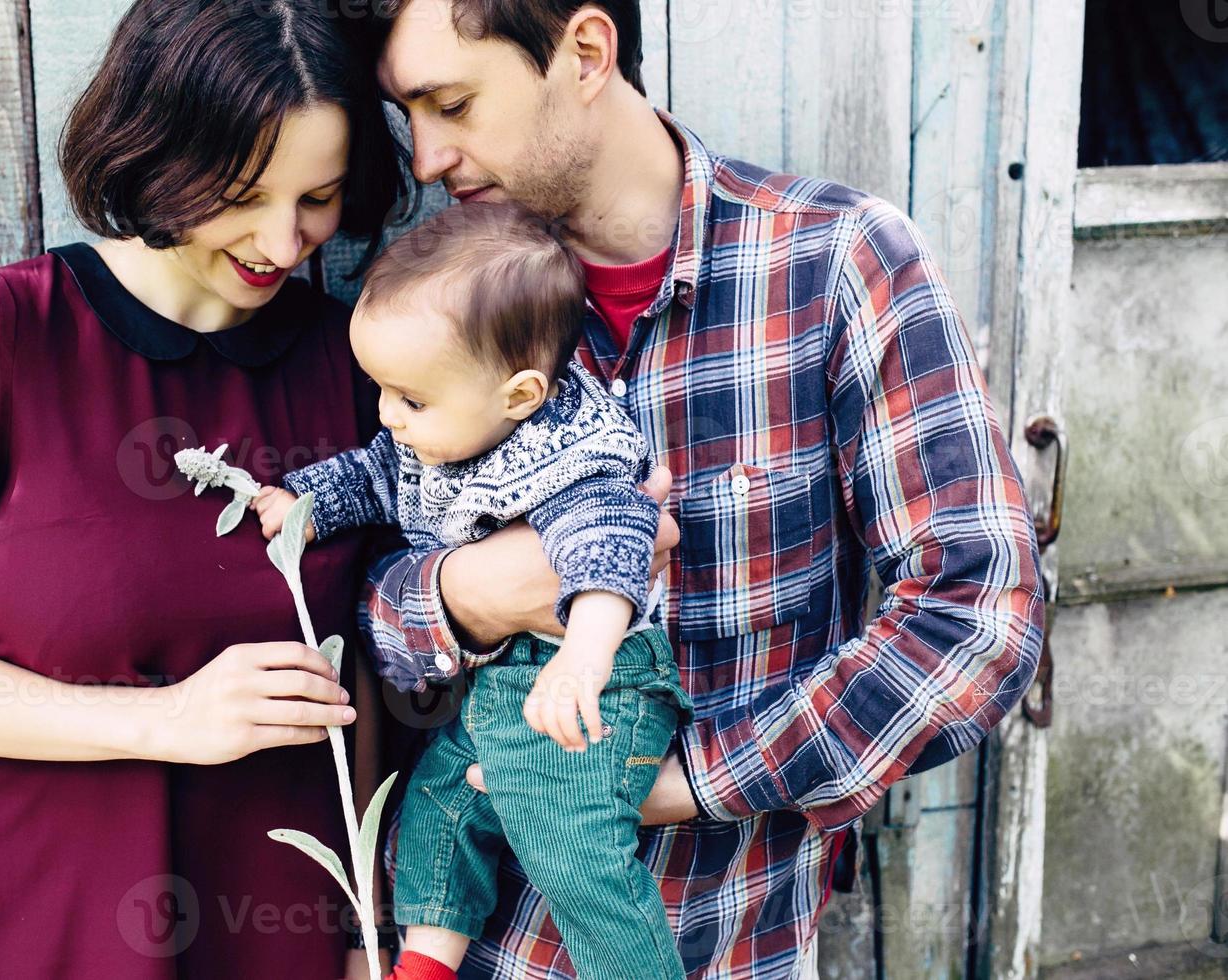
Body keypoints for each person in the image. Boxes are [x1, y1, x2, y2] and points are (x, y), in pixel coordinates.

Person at [359, 2, 1048, 977]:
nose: (426, 159)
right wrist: (468, 593)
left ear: (586, 53)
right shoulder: (431, 304)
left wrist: (679, 780)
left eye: (453, 104)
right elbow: (371, 615)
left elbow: (978, 617)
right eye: (407, 116)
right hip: (481, 949)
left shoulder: (840, 265)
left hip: (725, 942)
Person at [0, 1, 407, 976]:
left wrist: (367, 929)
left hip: (278, 937)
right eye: (241, 193)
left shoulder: (352, 364)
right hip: (42, 927)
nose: (282, 237)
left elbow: (366, 684)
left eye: (319, 197)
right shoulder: (2, 337)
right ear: (159, 152)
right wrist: (164, 717)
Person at [253, 202, 694, 979]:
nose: (388, 416)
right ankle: (425, 967)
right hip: (507, 689)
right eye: (382, 390)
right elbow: (374, 476)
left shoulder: (572, 455)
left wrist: (584, 658)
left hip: (604, 685)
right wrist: (306, 502)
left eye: (410, 400)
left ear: (519, 395)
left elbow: (609, 550)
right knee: (438, 812)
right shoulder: (440, 433)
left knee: (574, 850)